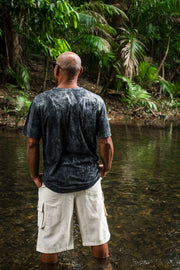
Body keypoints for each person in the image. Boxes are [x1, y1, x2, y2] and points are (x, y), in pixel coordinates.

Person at [23, 52, 114, 269]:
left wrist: (35, 176)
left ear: (56, 70)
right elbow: (106, 142)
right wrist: (106, 167)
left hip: (54, 182)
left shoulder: (40, 102)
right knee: (99, 235)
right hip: (89, 180)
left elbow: (32, 145)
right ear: (80, 72)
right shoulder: (95, 101)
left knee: (49, 241)